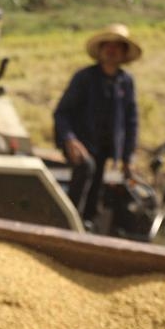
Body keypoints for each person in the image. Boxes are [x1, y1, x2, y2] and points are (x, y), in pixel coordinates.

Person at [53, 23, 141, 226]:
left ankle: (89, 221)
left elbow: (131, 121)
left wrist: (128, 158)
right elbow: (61, 113)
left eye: (117, 46)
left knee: (98, 180)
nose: (111, 50)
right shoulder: (84, 78)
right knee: (87, 167)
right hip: (80, 142)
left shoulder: (125, 82)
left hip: (105, 146)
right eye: (107, 46)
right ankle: (69, 221)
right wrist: (70, 139)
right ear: (100, 50)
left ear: (124, 53)